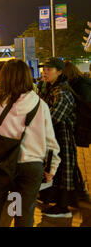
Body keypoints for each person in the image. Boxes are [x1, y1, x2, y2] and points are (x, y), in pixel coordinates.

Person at [0, 59, 60, 227]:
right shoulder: (40, 104)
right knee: (24, 210)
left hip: (2, 161)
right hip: (31, 165)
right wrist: (51, 168)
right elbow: (50, 141)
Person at [38, 57, 78, 218]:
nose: (44, 72)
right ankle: (59, 203)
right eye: (44, 69)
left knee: (63, 172)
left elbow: (53, 118)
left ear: (60, 72)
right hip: (54, 138)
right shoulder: (50, 88)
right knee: (57, 171)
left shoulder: (62, 92)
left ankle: (64, 208)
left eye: (49, 69)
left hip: (63, 139)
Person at [62, 61, 91, 204]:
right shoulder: (80, 82)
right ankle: (79, 190)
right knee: (71, 158)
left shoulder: (80, 85)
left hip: (82, 125)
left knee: (70, 157)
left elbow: (84, 104)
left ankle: (80, 191)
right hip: (80, 125)